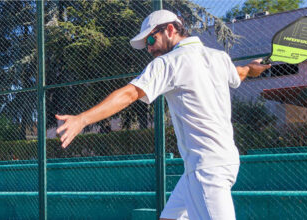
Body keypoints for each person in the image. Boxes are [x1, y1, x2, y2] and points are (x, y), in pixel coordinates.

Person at [56, 9, 271, 220]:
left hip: (207, 168)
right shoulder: (219, 58)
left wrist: (82, 119)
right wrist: (252, 68)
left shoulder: (169, 62)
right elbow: (240, 73)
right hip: (218, 161)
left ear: (170, 29)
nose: (148, 49)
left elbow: (130, 93)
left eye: (151, 40)